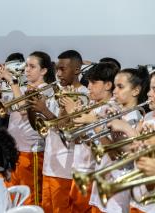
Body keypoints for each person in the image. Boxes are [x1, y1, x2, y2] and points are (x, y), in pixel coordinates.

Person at [0, 51, 55, 205]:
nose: (26, 70)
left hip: (31, 152)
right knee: (14, 198)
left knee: (31, 197)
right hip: (14, 151)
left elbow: (24, 109)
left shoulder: (46, 89)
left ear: (44, 71)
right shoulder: (21, 89)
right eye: (26, 66)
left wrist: (13, 82)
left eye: (32, 66)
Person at [90, 66, 149, 213]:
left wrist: (95, 125)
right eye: (115, 86)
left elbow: (117, 154)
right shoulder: (113, 110)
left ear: (136, 91)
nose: (114, 91)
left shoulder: (135, 117)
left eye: (120, 87)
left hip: (117, 190)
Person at [34, 50, 87, 213]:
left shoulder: (85, 95)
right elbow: (45, 128)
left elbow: (68, 130)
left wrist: (45, 111)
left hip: (65, 168)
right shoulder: (56, 93)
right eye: (57, 69)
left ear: (77, 70)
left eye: (63, 69)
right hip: (50, 164)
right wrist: (33, 108)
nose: (58, 74)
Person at [71, 62, 119, 213]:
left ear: (108, 85)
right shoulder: (93, 105)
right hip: (81, 170)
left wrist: (91, 122)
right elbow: (78, 139)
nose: (89, 86)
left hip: (92, 173)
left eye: (93, 82)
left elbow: (106, 149)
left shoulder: (112, 109)